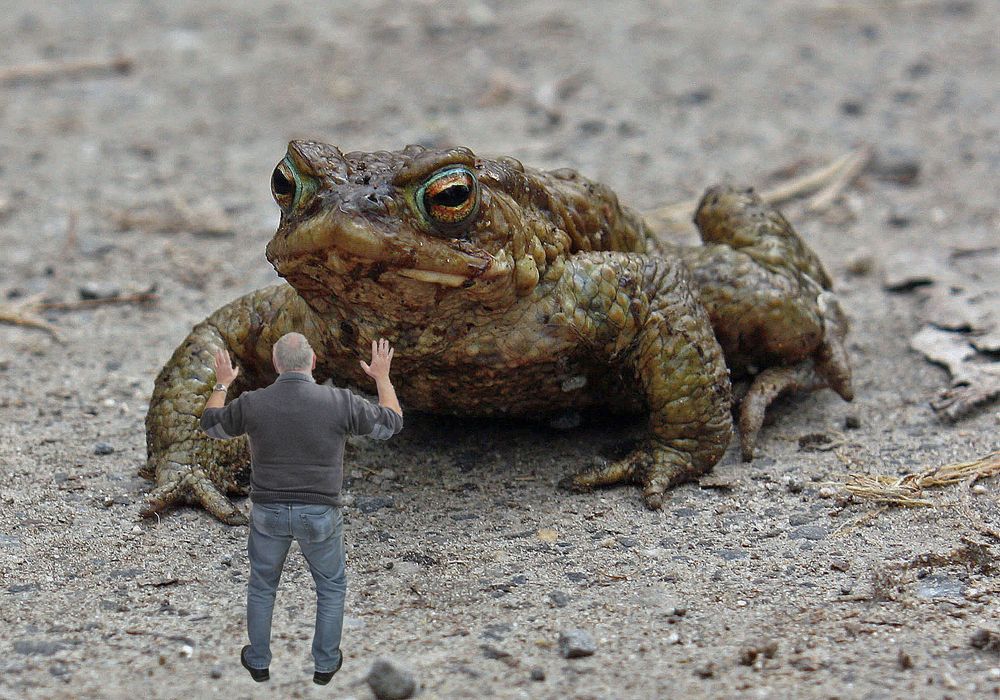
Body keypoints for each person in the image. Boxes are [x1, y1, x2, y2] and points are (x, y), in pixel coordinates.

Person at [200, 333, 403, 685]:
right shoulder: (340, 401)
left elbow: (212, 425)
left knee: (263, 586)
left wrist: (222, 382)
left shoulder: (253, 402)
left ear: (276, 365)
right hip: (320, 511)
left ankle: (259, 661)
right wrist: (382, 377)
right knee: (330, 587)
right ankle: (325, 665)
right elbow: (391, 424)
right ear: (312, 363)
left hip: (268, 511)